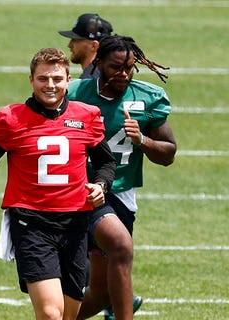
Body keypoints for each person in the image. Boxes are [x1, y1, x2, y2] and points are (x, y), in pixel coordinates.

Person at [0, 48, 116, 320]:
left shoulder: (86, 116)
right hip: (32, 224)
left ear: (68, 80)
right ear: (31, 80)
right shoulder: (11, 119)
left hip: (76, 224)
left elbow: (106, 162)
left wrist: (101, 184)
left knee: (68, 315)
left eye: (56, 78)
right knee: (51, 314)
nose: (50, 85)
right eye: (43, 79)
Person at [66, 35, 177, 320]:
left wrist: (144, 141)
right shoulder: (75, 93)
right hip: (84, 192)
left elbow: (169, 153)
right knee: (121, 245)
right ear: (98, 62)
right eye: (116, 67)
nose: (124, 73)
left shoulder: (146, 96)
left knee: (102, 293)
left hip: (122, 194)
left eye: (129, 67)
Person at [59, 13, 113, 79]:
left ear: (94, 46)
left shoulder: (90, 80)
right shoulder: (102, 72)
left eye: (75, 40)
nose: (69, 45)